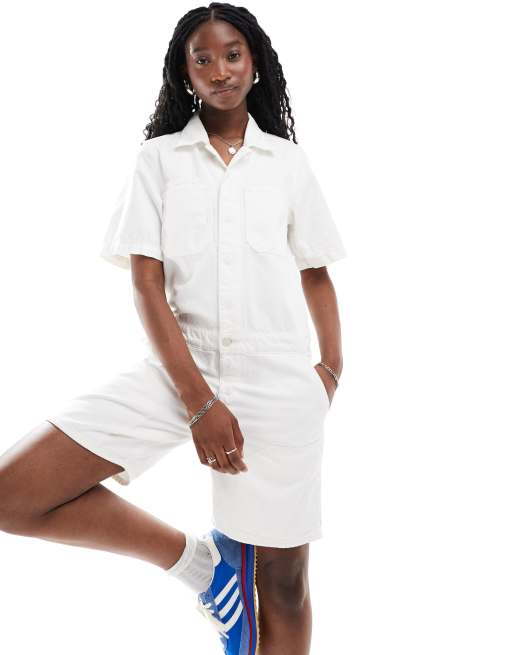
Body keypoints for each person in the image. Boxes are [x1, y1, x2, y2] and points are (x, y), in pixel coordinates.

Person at [0, 3, 347, 654]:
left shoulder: (287, 163)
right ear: (184, 74)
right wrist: (200, 402)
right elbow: (145, 284)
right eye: (202, 59)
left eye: (233, 54)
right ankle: (204, 568)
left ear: (256, 64)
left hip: (278, 380)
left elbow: (316, 272)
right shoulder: (158, 160)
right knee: (11, 492)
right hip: (178, 368)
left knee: (284, 584)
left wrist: (329, 368)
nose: (220, 70)